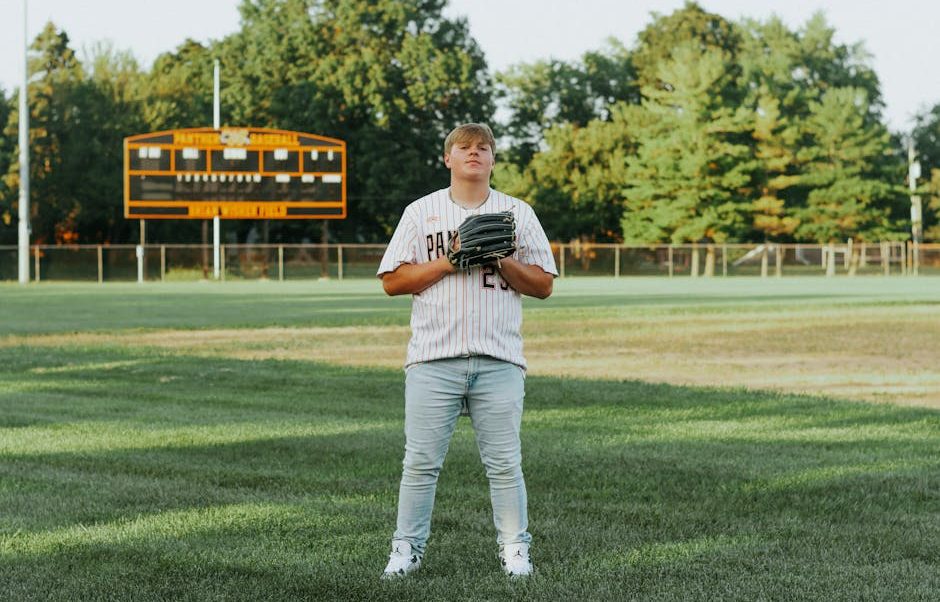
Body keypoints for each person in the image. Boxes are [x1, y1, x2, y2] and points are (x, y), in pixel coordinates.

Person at [376, 123, 557, 579]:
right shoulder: (421, 211)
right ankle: (405, 550)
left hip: (499, 360)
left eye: (482, 147)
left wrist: (498, 257)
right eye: (463, 147)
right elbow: (392, 281)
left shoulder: (517, 212)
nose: (473, 153)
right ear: (448, 158)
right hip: (433, 358)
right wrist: (452, 259)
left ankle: (515, 550)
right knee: (420, 464)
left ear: (493, 159)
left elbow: (543, 285)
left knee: (505, 464)